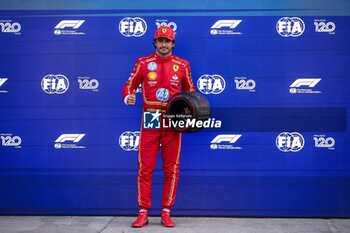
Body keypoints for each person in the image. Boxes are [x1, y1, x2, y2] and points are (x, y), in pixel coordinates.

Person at [122, 26, 195, 227]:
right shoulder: (143, 63)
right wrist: (128, 96)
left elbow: (191, 93)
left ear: (173, 43)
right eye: (160, 40)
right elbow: (130, 85)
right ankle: (143, 211)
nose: (164, 44)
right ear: (155, 43)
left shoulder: (182, 65)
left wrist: (189, 112)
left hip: (172, 119)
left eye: (167, 41)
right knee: (145, 168)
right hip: (151, 117)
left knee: (171, 168)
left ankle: (166, 211)